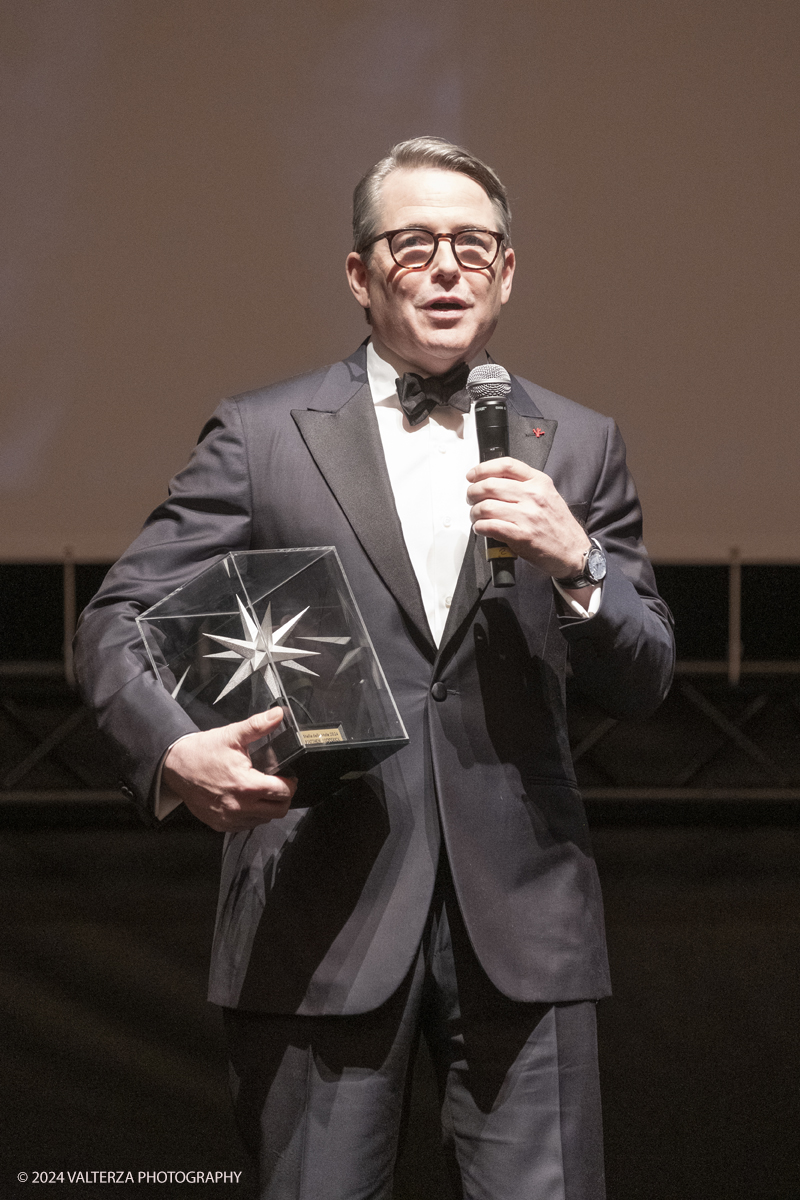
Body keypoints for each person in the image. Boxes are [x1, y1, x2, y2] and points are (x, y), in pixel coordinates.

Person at [75, 136, 674, 1199]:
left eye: (473, 246)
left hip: (524, 919)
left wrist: (577, 562)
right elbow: (117, 618)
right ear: (359, 273)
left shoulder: (574, 444)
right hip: (316, 909)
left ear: (505, 273)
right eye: (413, 244)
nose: (447, 267)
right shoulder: (263, 435)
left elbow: (641, 679)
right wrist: (173, 753)